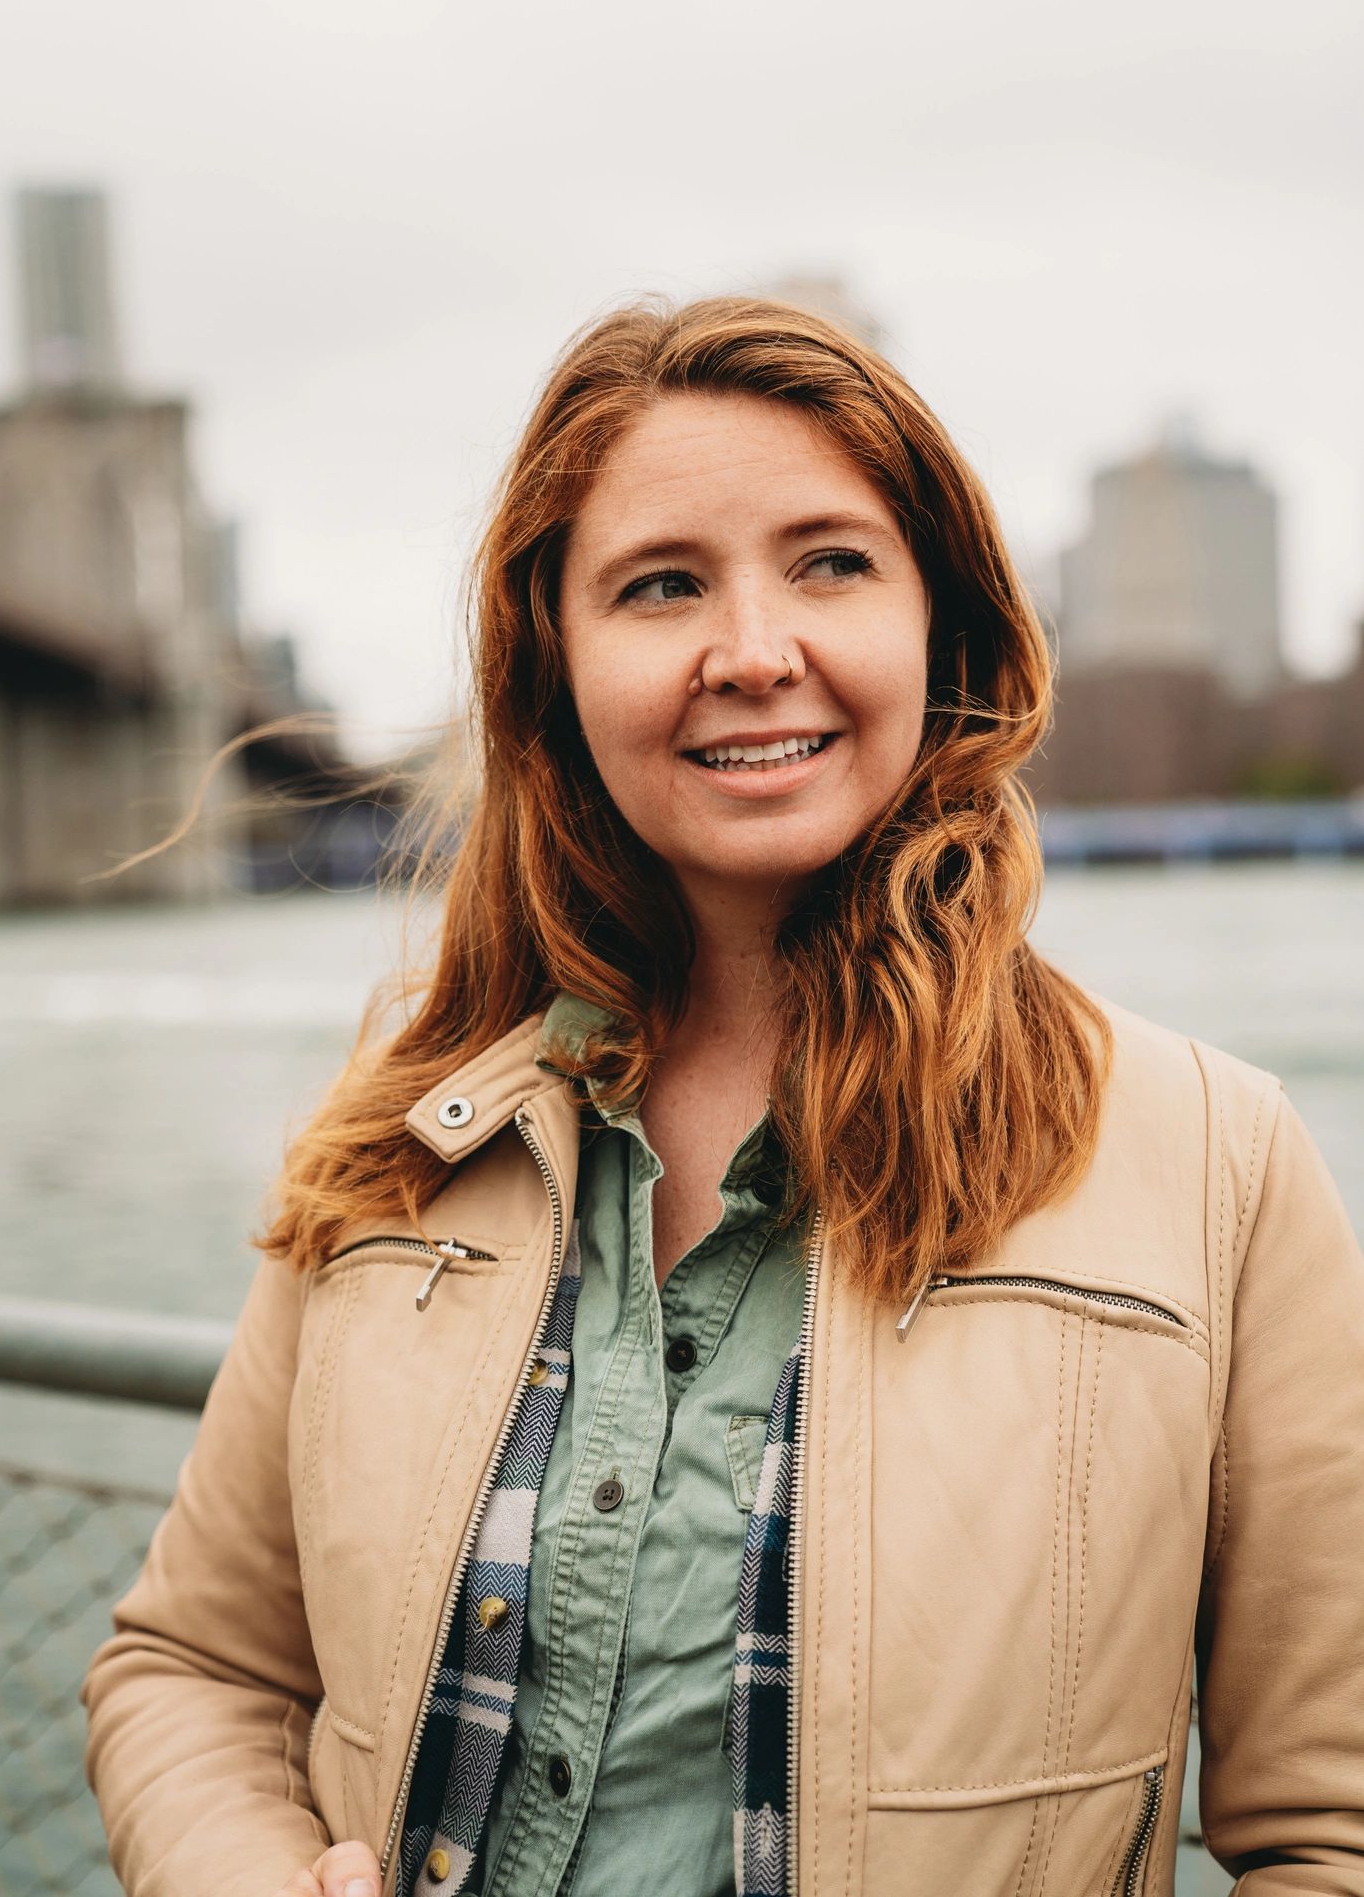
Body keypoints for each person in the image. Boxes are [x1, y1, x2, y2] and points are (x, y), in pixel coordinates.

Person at [81, 296, 1364, 1897]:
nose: (754, 652)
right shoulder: (399, 1150)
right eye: (661, 585)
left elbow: (1331, 1833)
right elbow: (195, 1671)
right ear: (554, 666)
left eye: (830, 562)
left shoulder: (1218, 1167)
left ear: (940, 631)